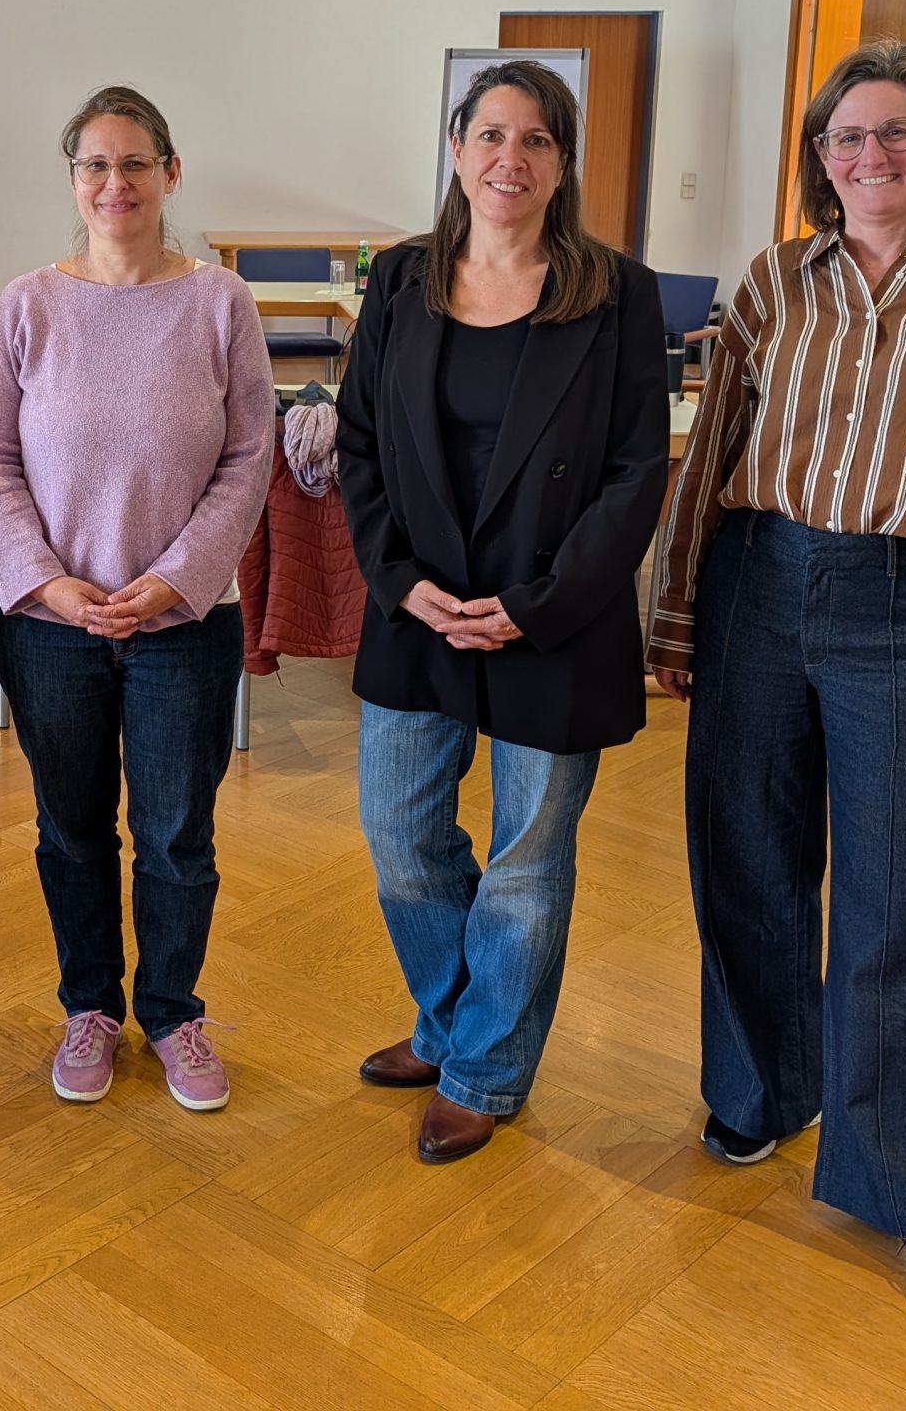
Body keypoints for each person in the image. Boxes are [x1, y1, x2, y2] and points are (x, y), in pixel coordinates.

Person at [648, 40, 906, 1334]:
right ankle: (764, 1090)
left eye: (893, 134)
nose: (870, 157)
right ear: (818, 161)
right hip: (761, 589)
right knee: (748, 859)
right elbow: (714, 448)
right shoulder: (774, 282)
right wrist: (674, 612)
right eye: (846, 140)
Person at [336, 60, 665, 1165]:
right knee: (401, 837)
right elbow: (359, 446)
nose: (508, 159)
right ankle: (448, 1017)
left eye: (534, 139)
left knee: (527, 859)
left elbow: (633, 471)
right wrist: (397, 581)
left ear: (562, 161)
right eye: (489, 135)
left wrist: (536, 603)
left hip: (552, 617)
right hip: (419, 606)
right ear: (456, 147)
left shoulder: (616, 290)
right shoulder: (400, 279)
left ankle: (482, 1064)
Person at [0, 87, 272, 1112]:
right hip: (53, 625)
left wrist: (176, 577)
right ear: (72, 181)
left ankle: (176, 1009)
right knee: (72, 826)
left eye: (135, 163)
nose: (115, 184)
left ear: (170, 174)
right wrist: (45, 578)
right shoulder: (26, 305)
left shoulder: (221, 303)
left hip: (183, 622)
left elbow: (247, 457)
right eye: (94, 165)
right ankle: (89, 1004)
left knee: (179, 831)